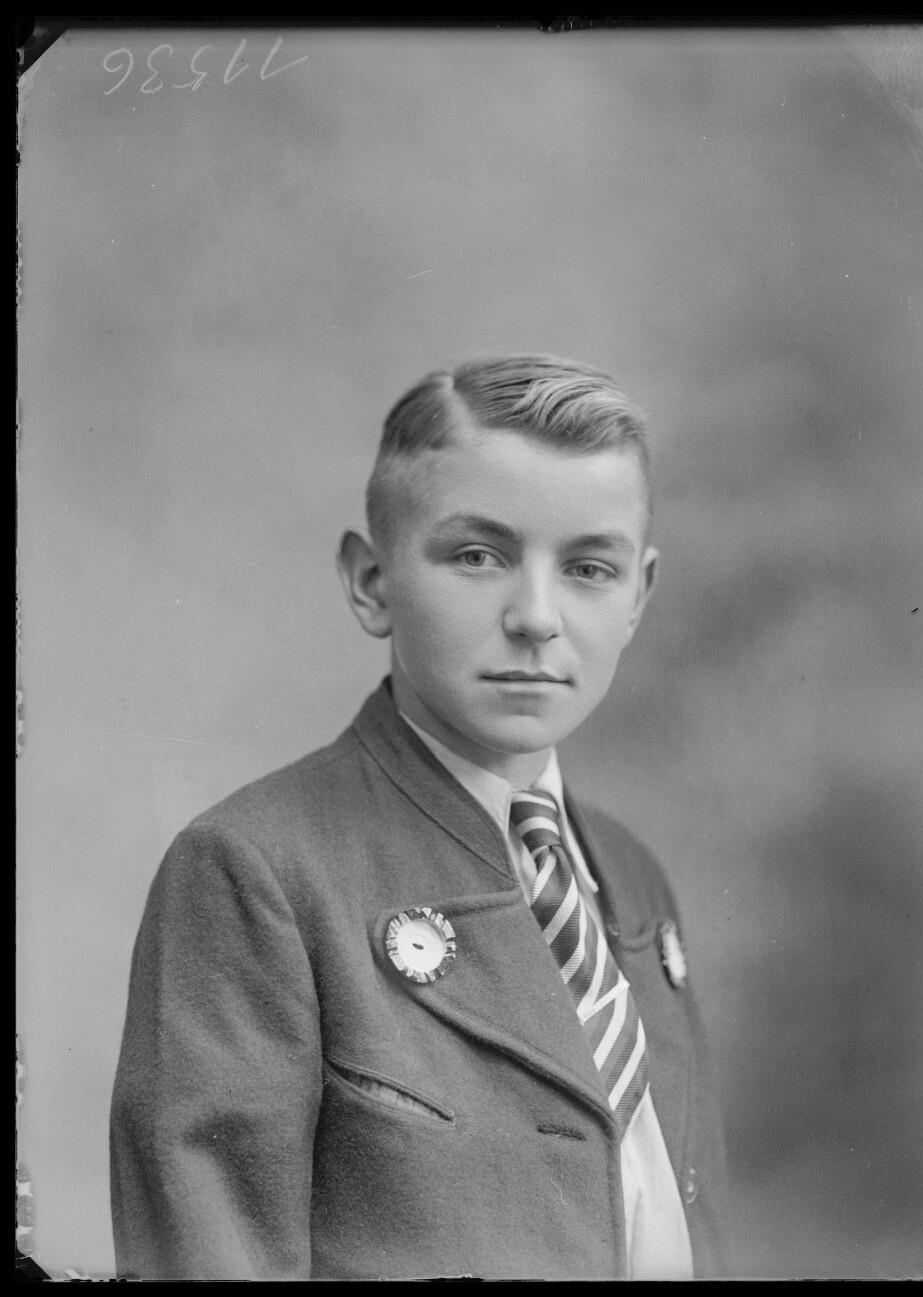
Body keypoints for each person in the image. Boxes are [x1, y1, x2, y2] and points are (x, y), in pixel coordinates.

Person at [109, 354, 730, 1281]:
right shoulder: (257, 871)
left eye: (589, 568)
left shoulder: (629, 876)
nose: (537, 617)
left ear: (639, 595)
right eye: (478, 556)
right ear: (372, 580)